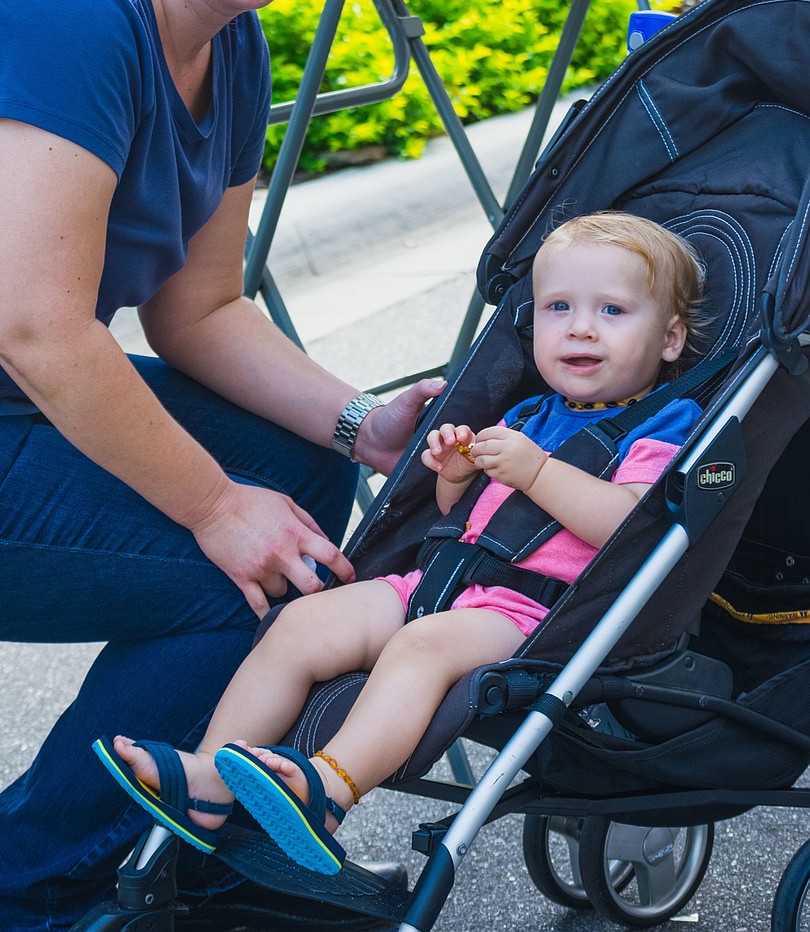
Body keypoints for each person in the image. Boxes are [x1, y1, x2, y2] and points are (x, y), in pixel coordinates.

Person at [0, 0, 444, 929]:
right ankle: (21, 894)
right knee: (229, 566)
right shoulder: (71, 10)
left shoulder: (231, 41)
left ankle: (195, 838)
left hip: (0, 405)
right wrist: (212, 506)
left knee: (307, 473)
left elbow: (198, 309)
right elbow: (32, 326)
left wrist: (359, 420)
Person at [97, 211, 706, 877]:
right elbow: (463, 513)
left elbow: (629, 523)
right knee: (300, 622)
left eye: (612, 310)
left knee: (420, 646)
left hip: (532, 615)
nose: (581, 327)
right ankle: (210, 778)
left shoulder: (665, 424)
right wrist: (456, 474)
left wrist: (534, 470)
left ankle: (327, 791)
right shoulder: (530, 414)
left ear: (671, 338)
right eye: (558, 307)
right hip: (442, 584)